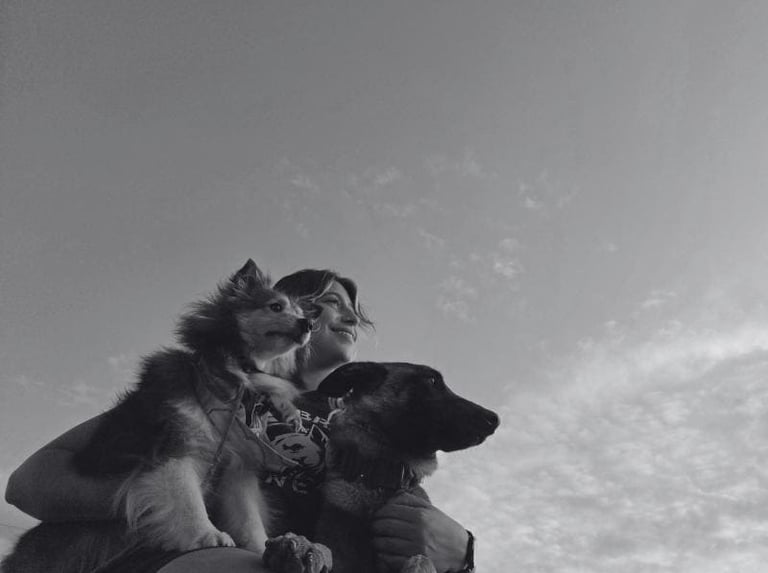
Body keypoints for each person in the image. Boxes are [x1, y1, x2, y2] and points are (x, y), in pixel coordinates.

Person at [5, 268, 473, 573]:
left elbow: (404, 509)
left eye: (355, 309)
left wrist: (462, 551)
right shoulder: (204, 384)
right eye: (327, 301)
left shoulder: (372, 414)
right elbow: (29, 483)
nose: (349, 313)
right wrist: (182, 506)